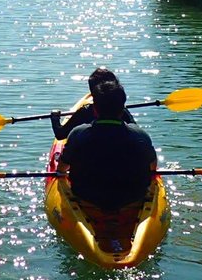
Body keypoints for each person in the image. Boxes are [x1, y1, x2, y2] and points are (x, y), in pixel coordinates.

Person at [57, 78, 157, 210]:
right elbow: (153, 166)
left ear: (95, 110)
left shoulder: (78, 134)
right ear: (123, 110)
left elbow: (62, 169)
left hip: (87, 196)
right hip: (132, 197)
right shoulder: (140, 135)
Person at [50, 67, 136, 140]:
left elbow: (60, 134)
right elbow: (134, 128)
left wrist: (55, 117)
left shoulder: (85, 112)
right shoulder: (122, 110)